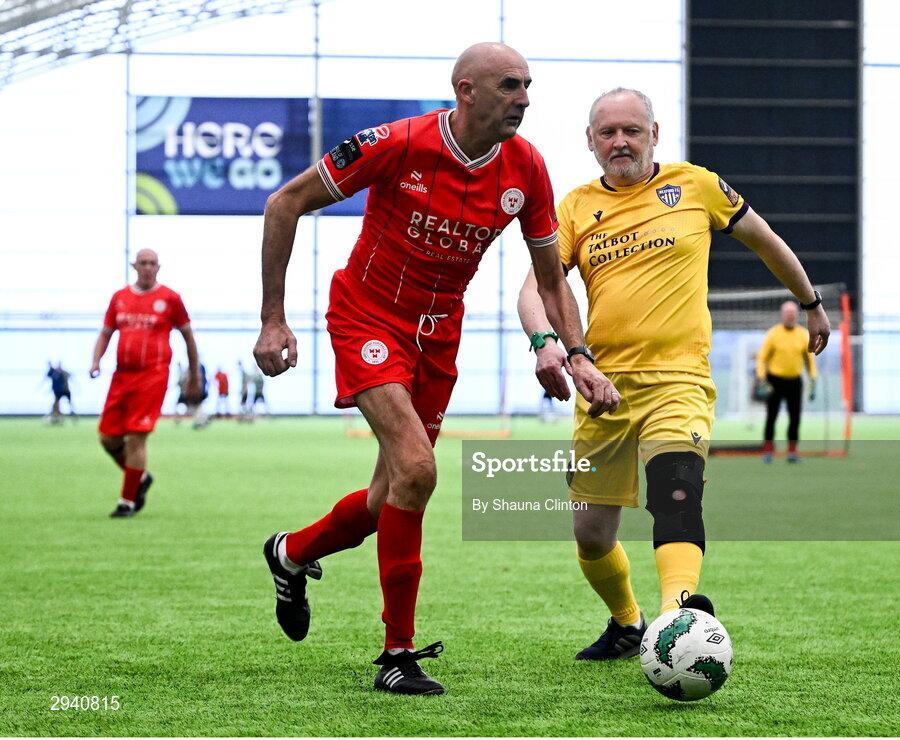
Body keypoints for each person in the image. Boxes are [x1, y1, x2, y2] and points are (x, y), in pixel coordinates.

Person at [254, 42, 618, 696]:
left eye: (528, 86)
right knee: (419, 470)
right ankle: (397, 655)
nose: (524, 99)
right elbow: (285, 203)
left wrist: (576, 353)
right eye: (509, 86)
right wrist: (273, 317)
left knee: (384, 497)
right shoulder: (398, 143)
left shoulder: (527, 170)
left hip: (439, 338)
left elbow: (550, 280)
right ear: (465, 89)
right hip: (366, 318)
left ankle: (292, 553)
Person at [517, 88, 830, 660]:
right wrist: (547, 344)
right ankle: (627, 621)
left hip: (679, 380)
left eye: (632, 130)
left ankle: (676, 619)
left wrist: (809, 301)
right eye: (607, 132)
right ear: (590, 141)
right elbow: (537, 289)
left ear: (654, 134)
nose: (620, 141)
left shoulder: (697, 186)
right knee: (591, 534)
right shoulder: (574, 208)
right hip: (603, 386)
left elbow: (765, 239)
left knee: (677, 490)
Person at [90, 249, 200, 518]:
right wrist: (96, 361)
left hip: (153, 376)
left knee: (137, 437)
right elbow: (106, 333)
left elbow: (188, 338)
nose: (148, 267)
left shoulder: (171, 299)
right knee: (107, 437)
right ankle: (138, 478)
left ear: (159, 267)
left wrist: (194, 375)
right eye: (143, 263)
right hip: (121, 376)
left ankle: (126, 502)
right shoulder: (119, 298)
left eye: (153, 263)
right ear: (134, 266)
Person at [757, 300, 817, 463]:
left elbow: (809, 359)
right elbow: (762, 358)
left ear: (797, 315)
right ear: (782, 315)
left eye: (793, 314)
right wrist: (761, 378)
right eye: (787, 314)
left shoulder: (802, 334)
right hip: (774, 381)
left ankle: (792, 452)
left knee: (795, 417)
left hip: (795, 382)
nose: (790, 317)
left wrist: (813, 379)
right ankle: (768, 451)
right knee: (771, 417)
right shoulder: (773, 334)